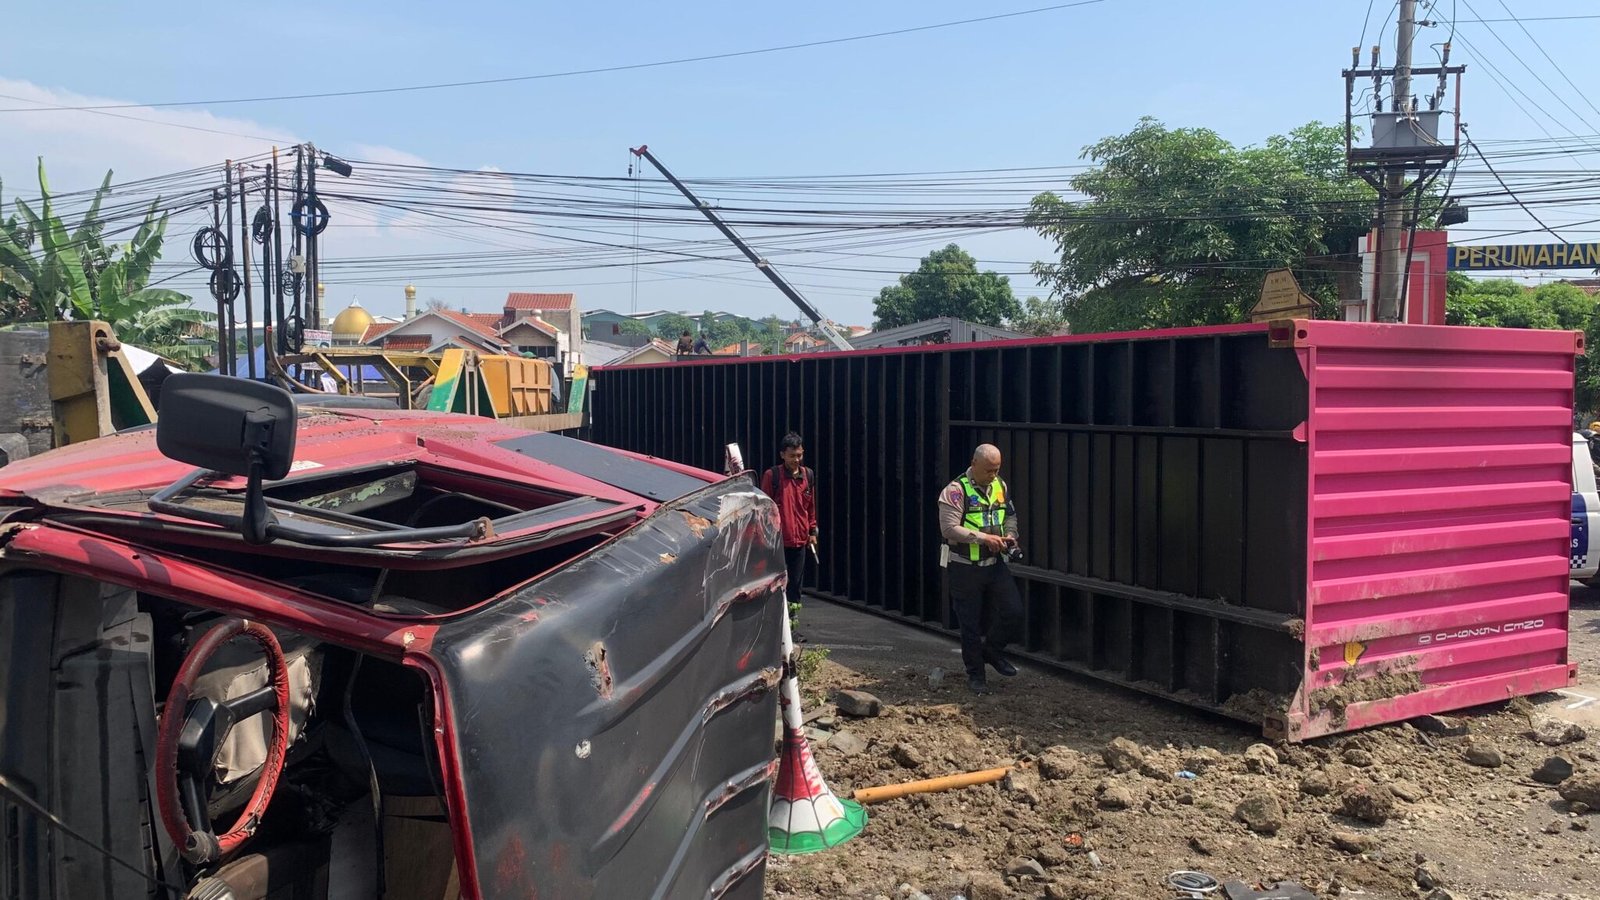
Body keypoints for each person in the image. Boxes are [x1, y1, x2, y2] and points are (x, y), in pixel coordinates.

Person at [937, 443, 1022, 694]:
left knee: (1013, 611)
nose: (993, 475)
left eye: (997, 469)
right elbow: (949, 528)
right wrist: (984, 539)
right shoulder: (955, 491)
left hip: (994, 565)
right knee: (970, 625)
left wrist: (1010, 535)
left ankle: (992, 652)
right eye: (988, 470)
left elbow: (1010, 515)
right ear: (974, 464)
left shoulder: (1000, 486)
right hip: (965, 568)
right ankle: (976, 675)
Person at [760, 432, 818, 629]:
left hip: (800, 541)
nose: (797, 459)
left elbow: (810, 508)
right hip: (777, 542)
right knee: (776, 586)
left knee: (795, 587)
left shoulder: (807, 475)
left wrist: (812, 531)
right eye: (793, 455)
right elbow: (763, 508)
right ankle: (774, 629)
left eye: (800, 455)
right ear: (782, 455)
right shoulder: (772, 476)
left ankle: (792, 630)